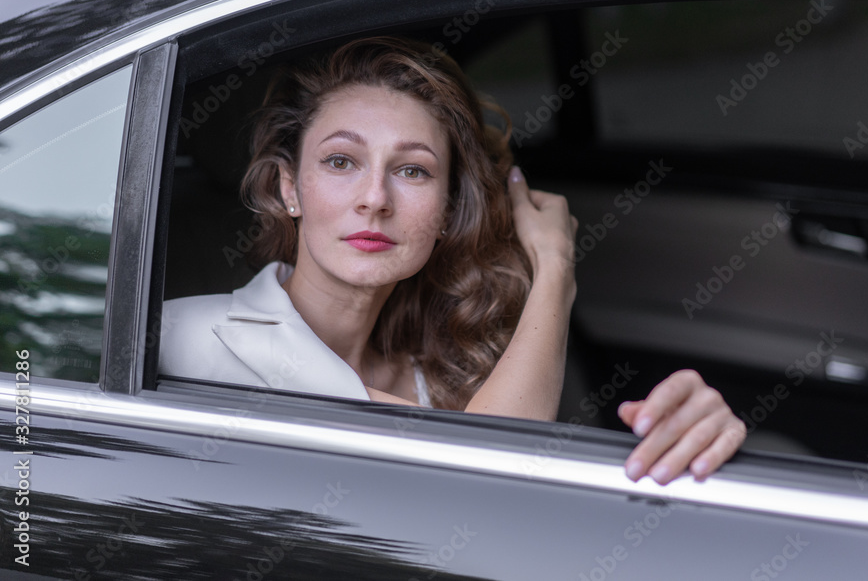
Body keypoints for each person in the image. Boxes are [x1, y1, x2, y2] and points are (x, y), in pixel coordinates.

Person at [160, 36, 746, 484]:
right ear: (290, 188)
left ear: (446, 211)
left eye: (413, 170)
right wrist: (555, 270)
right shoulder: (179, 340)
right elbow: (497, 472)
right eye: (341, 161)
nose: (375, 198)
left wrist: (683, 434)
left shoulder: (448, 372)